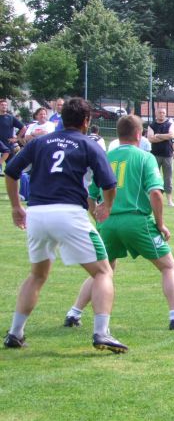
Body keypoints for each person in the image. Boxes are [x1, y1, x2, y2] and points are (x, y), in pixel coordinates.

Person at [3, 97, 127, 353]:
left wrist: (16, 207)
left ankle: (15, 332)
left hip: (37, 213)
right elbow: (109, 183)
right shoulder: (88, 144)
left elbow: (11, 170)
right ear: (86, 120)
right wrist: (107, 206)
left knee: (37, 275)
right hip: (69, 213)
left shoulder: (39, 142)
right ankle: (101, 333)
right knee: (103, 272)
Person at [65, 114, 174, 331]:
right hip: (136, 220)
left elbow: (89, 195)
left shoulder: (105, 157)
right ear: (139, 134)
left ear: (118, 135)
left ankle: (74, 313)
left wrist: (97, 219)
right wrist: (160, 224)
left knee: (102, 271)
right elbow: (156, 194)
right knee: (168, 266)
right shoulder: (145, 157)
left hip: (108, 223)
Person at [149, 108, 174, 207]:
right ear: (156, 114)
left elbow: (171, 135)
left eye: (163, 113)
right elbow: (150, 139)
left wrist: (158, 135)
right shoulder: (151, 125)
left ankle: (169, 201)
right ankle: (153, 200)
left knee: (168, 179)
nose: (162, 114)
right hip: (155, 155)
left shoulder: (169, 124)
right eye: (160, 113)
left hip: (168, 155)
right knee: (153, 178)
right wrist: (164, 137)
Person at [0, 98, 24, 164]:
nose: (4, 106)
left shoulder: (10, 117)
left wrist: (16, 138)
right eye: (2, 105)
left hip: (8, 145)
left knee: (10, 167)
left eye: (5, 105)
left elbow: (23, 127)